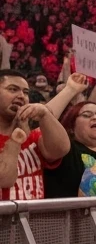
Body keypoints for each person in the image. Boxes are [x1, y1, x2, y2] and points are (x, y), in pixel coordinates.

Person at [0, 69, 70, 200]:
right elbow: (4, 180)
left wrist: (45, 115)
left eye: (25, 92)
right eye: (13, 89)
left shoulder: (31, 136)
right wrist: (15, 141)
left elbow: (61, 149)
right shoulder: (22, 135)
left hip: (34, 220)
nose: (21, 96)